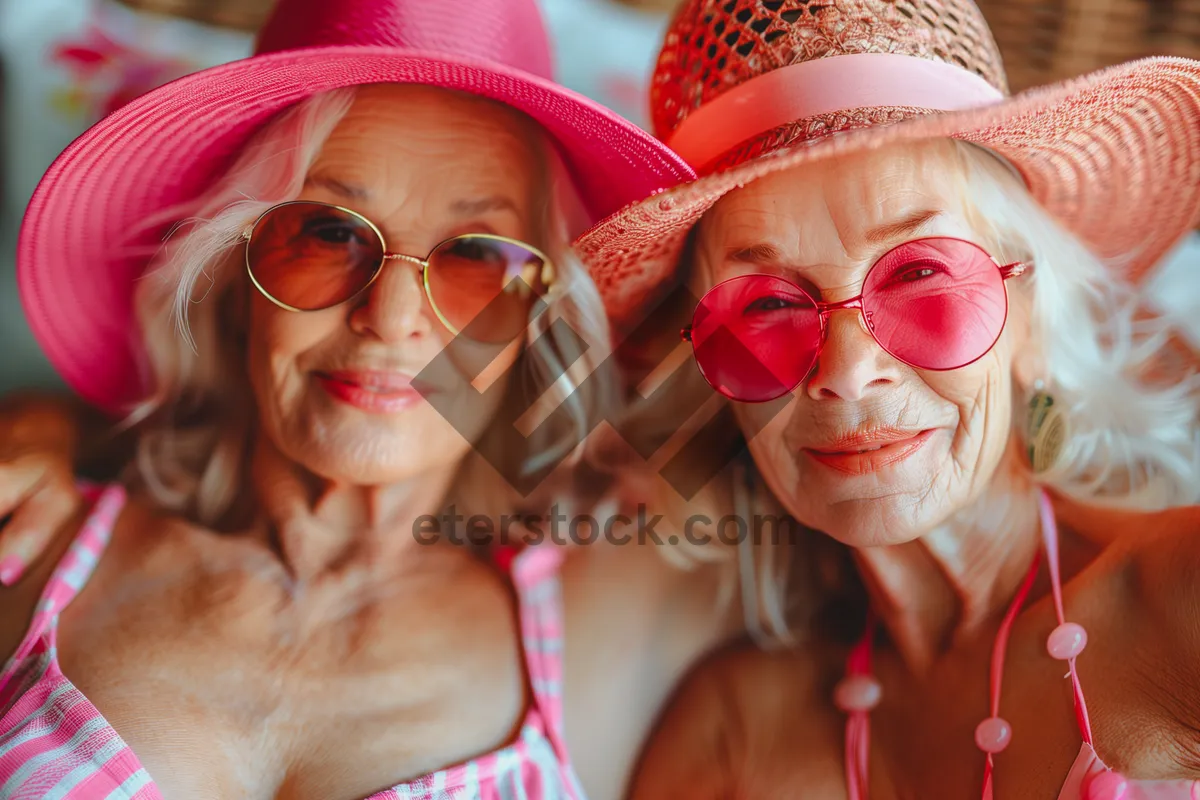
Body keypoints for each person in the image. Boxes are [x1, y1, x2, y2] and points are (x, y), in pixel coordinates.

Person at [0, 0, 755, 797]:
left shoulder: (622, 611)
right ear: (231, 276)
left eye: (474, 257)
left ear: (537, 322)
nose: (389, 319)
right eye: (329, 233)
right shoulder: (30, 538)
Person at [573, 0, 1200, 796]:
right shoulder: (733, 737)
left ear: (1030, 321)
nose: (847, 369)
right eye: (765, 305)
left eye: (917, 273)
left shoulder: (1183, 600)